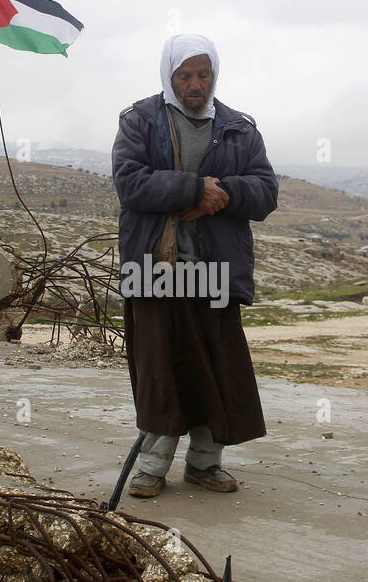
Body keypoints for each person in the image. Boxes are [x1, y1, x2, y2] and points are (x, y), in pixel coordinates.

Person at [110, 33, 278, 498]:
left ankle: (205, 464)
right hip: (155, 268)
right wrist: (191, 190)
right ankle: (152, 467)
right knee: (161, 370)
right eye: (185, 75)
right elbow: (130, 183)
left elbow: (265, 192)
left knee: (216, 369)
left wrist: (219, 194)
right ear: (170, 75)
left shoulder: (239, 128)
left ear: (214, 76)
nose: (195, 84)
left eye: (203, 74)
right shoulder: (140, 120)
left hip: (215, 270)